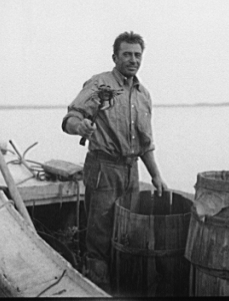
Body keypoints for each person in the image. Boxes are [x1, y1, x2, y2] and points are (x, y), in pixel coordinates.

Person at [61, 31, 168, 292]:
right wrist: (81, 127)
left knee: (127, 233)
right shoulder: (99, 84)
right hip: (103, 170)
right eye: (127, 54)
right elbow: (70, 118)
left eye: (137, 55)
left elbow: (145, 144)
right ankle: (96, 288)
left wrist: (155, 175)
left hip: (131, 172)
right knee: (99, 236)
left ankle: (122, 289)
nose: (133, 60)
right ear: (115, 57)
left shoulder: (144, 95)